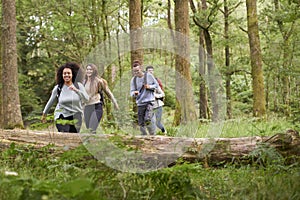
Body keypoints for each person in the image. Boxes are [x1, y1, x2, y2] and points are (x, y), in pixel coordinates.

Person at [41, 62, 89, 133]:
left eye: (69, 73)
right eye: (64, 73)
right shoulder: (58, 88)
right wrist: (44, 114)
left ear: (73, 75)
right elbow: (50, 102)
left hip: (76, 115)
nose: (66, 75)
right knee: (64, 134)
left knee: (73, 138)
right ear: (62, 75)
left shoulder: (79, 86)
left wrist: (76, 90)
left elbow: (86, 99)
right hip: (61, 115)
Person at [83, 63, 119, 134]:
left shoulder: (99, 81)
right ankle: (92, 142)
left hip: (97, 106)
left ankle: (93, 142)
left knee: (92, 126)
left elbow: (108, 92)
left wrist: (115, 103)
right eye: (87, 69)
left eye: (90, 69)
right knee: (88, 128)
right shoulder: (84, 82)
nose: (89, 71)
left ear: (94, 71)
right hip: (87, 107)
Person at [130, 60, 159, 135]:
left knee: (147, 118)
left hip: (149, 101)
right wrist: (134, 93)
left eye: (137, 71)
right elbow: (131, 92)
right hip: (140, 103)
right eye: (134, 71)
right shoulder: (133, 80)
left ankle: (152, 133)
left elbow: (156, 85)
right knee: (141, 122)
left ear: (141, 69)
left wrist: (150, 86)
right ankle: (144, 136)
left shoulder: (149, 75)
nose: (136, 73)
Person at [146, 65, 167, 134]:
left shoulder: (156, 83)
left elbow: (162, 94)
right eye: (149, 71)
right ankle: (152, 135)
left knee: (158, 123)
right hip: (149, 106)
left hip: (158, 105)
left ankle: (164, 132)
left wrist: (155, 96)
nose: (151, 72)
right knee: (149, 121)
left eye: (152, 71)